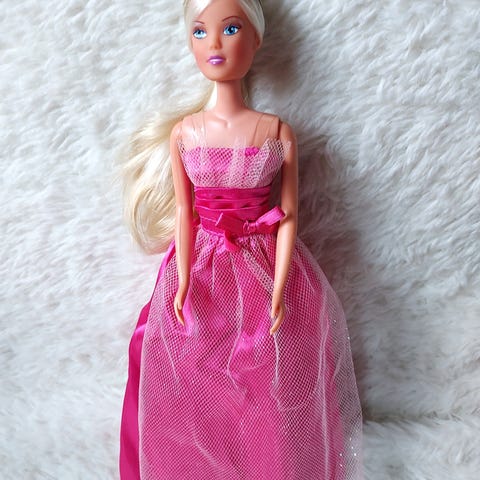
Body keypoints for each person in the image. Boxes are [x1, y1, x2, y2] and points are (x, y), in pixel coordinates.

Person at [119, 0, 363, 478]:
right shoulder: (184, 133)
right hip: (204, 266)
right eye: (199, 31)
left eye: (230, 29)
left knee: (268, 376)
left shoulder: (276, 130)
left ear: (256, 39)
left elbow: (289, 216)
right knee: (195, 369)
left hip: (261, 263)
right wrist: (182, 279)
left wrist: (280, 286)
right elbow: (186, 212)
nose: (214, 43)